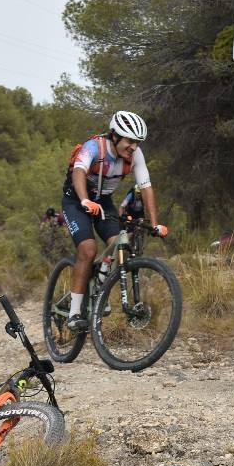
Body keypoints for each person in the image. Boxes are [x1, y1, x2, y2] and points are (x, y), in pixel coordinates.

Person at [62, 110, 160, 332]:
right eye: (129, 141)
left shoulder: (136, 155)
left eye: (137, 142)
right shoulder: (95, 147)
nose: (133, 147)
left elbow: (146, 188)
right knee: (87, 249)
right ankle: (74, 312)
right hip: (76, 200)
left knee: (119, 245)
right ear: (115, 136)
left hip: (103, 203)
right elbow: (79, 172)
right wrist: (85, 199)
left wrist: (155, 223)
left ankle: (99, 289)